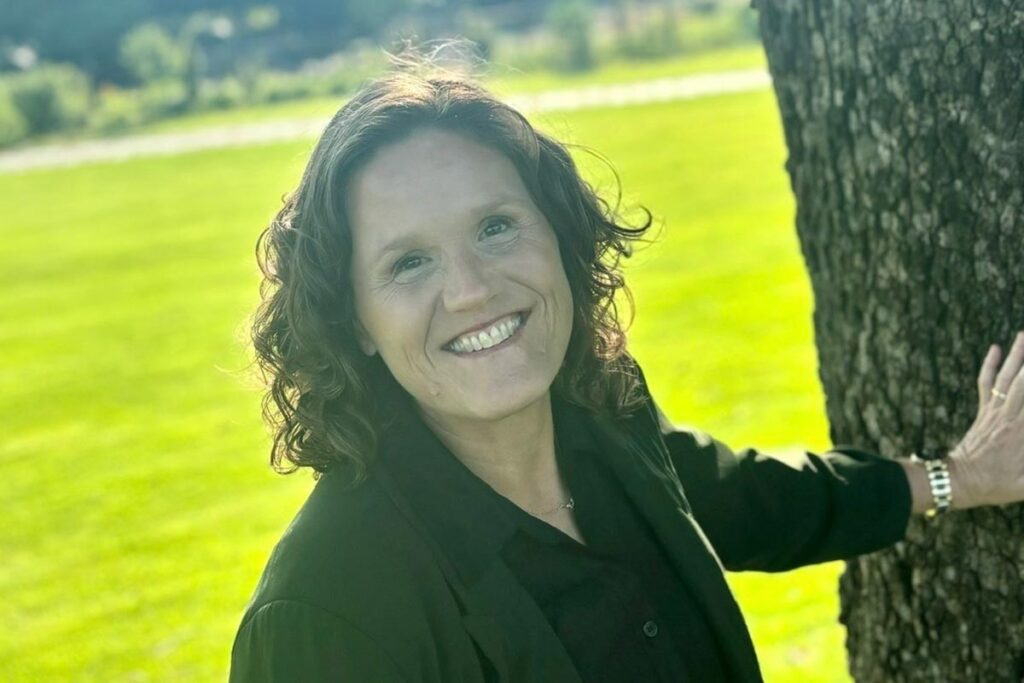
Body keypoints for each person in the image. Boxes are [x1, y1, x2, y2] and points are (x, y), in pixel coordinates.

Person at [229, 61, 1024, 682]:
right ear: (354, 322)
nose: (471, 290)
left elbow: (741, 497)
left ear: (559, 237)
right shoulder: (326, 607)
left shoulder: (603, 418)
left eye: (497, 226)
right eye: (408, 262)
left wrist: (960, 476)